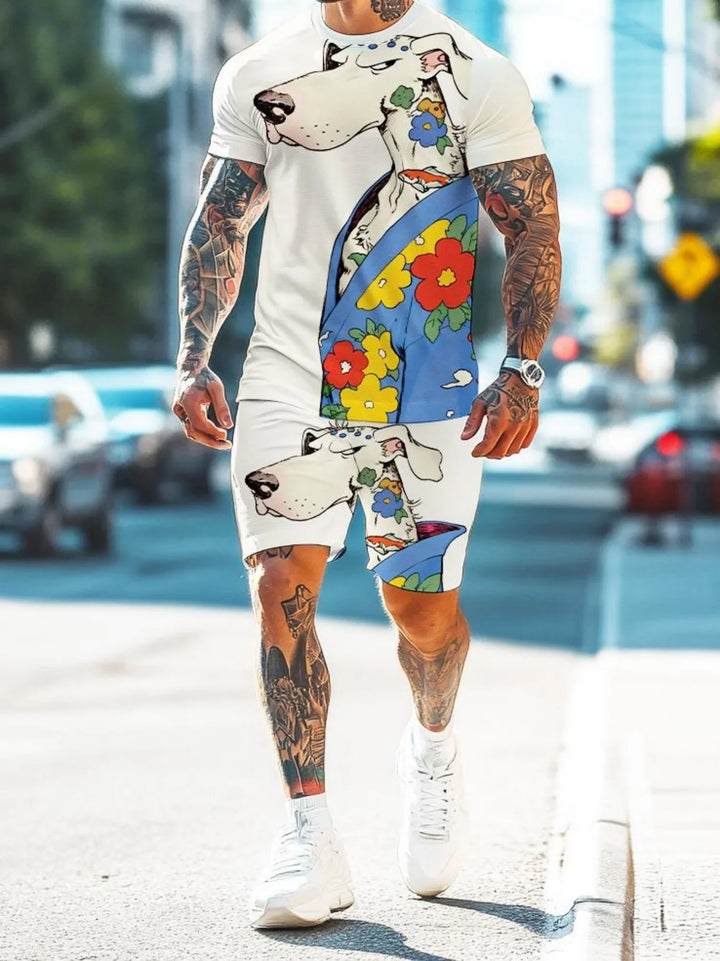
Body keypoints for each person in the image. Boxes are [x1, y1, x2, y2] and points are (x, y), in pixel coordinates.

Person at [172, 0, 561, 930]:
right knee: (280, 588)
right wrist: (193, 357)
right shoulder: (259, 70)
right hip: (286, 375)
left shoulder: (476, 71)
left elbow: (533, 225)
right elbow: (222, 220)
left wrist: (522, 368)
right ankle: (309, 831)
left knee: (422, 617)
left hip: (423, 384)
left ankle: (432, 750)